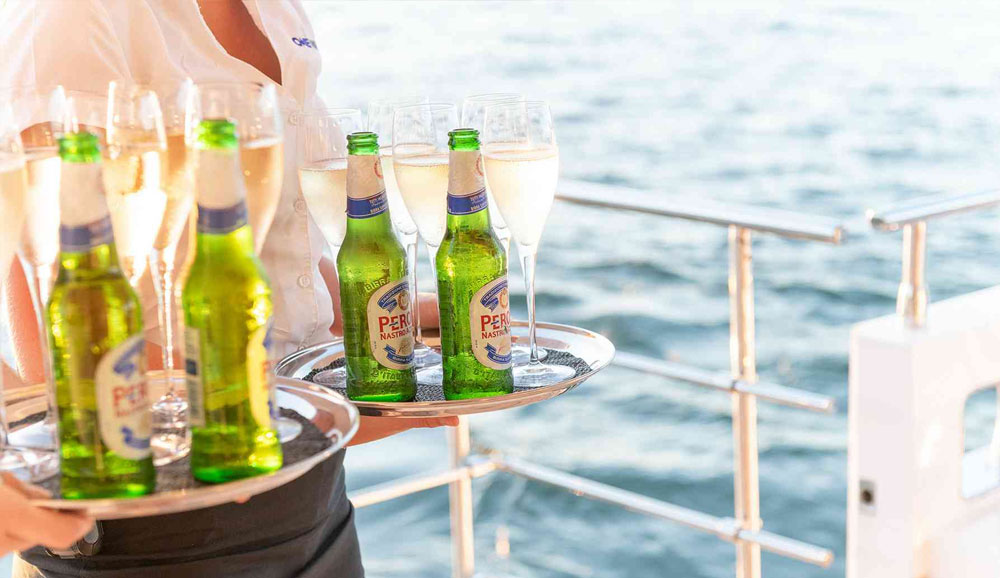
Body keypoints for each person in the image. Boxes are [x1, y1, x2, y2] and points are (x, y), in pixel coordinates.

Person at [0, 1, 455, 575]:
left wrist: (403, 324)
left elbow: (286, 255)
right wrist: (262, 425)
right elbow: (58, 330)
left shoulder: (276, 11)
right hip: (155, 526)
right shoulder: (74, 17)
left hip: (311, 501)